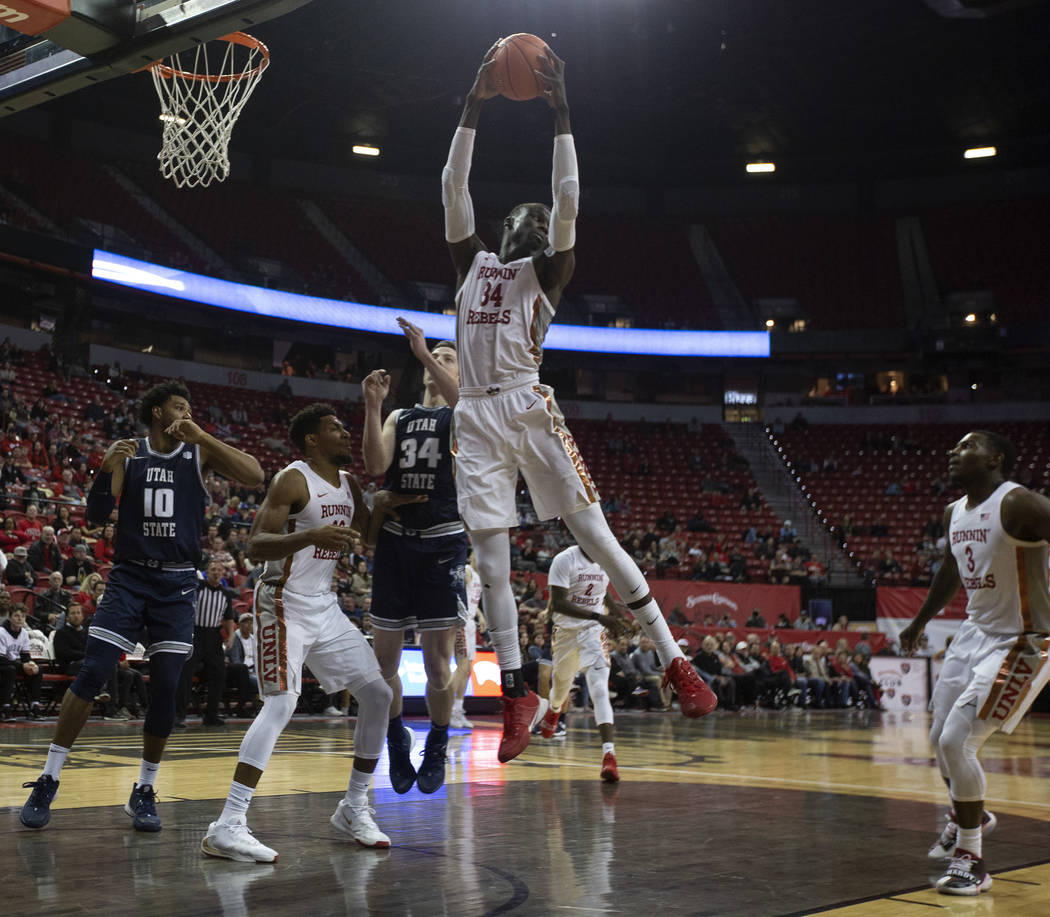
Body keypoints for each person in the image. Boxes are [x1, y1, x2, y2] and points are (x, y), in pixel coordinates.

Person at [442, 42, 716, 763]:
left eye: (544, 223)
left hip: (529, 407)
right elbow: (451, 185)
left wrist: (562, 112)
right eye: (525, 220)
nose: (537, 224)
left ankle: (674, 659)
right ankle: (516, 690)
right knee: (493, 565)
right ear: (506, 229)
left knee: (596, 536)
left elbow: (567, 199)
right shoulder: (471, 264)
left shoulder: (550, 273)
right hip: (473, 414)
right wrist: (472, 105)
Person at [20, 380, 263, 832]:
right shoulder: (130, 455)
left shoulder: (198, 452)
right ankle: (48, 778)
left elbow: (254, 475)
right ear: (156, 412)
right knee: (93, 671)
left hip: (175, 584)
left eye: (190, 407)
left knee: (168, 684)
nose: (187, 413)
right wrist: (103, 470)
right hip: (130, 576)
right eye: (178, 406)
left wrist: (203, 435)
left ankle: (145, 789)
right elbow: (94, 518)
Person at [201, 403, 414, 863]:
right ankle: (228, 824)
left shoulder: (351, 485)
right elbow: (255, 545)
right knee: (281, 703)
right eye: (335, 428)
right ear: (313, 440)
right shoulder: (292, 479)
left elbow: (364, 539)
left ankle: (353, 806)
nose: (344, 433)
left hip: (324, 606)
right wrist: (309, 537)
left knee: (379, 694)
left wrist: (378, 507)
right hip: (282, 600)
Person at [899, 431, 1050, 896]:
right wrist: (918, 621)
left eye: (967, 447)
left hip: (1023, 640)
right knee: (938, 739)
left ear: (995, 459)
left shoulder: (1019, 504)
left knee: (956, 741)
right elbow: (950, 570)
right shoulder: (954, 512)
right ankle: (973, 812)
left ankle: (972, 860)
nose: (953, 452)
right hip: (973, 634)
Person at [361, 320, 466, 795]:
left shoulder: (462, 414)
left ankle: (439, 741)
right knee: (383, 663)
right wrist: (373, 405)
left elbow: (463, 400)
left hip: (442, 541)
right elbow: (377, 467)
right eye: (435, 356)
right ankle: (397, 738)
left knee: (438, 666)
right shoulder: (400, 416)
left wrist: (425, 354)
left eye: (448, 358)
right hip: (396, 542)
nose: (438, 360)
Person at [536, 543, 631, 781]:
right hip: (566, 633)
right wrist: (601, 616)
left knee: (599, 689)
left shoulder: (605, 558)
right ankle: (554, 709)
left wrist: (618, 617)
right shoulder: (564, 559)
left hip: (593, 632)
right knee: (560, 688)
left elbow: (603, 592)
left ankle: (609, 755)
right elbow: (557, 602)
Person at [175, 560, 236, 727]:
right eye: (213, 570)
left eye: (219, 570)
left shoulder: (226, 593)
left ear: (222, 574)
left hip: (214, 635)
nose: (216, 572)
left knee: (219, 674)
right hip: (195, 633)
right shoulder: (198, 588)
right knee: (186, 673)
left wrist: (230, 636)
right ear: (206, 572)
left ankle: (211, 714)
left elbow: (229, 617)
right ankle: (179, 715)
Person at [450, 549, 485, 729]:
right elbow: (456, 590)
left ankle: (458, 708)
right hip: (462, 623)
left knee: (468, 670)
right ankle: (448, 707)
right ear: (471, 556)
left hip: (471, 622)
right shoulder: (467, 570)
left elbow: (471, 599)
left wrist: (480, 615)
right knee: (462, 666)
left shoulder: (478, 575)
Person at [1, 604, 42, 719]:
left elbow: (25, 655)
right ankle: (6, 706)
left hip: (13, 664)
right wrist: (22, 665)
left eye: (23, 616)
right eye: (17, 616)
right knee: (10, 670)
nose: (20, 619)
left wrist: (30, 664)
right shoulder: (2, 632)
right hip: (3, 663)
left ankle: (35, 705)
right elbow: (2, 659)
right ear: (9, 617)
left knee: (37, 670)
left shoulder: (24, 633)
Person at [224, 611, 259, 716]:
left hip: (253, 671)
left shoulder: (254, 639)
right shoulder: (235, 638)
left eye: (251, 623)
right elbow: (236, 661)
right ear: (239, 624)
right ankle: (242, 706)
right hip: (240, 672)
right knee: (258, 682)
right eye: (246, 622)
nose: (249, 625)